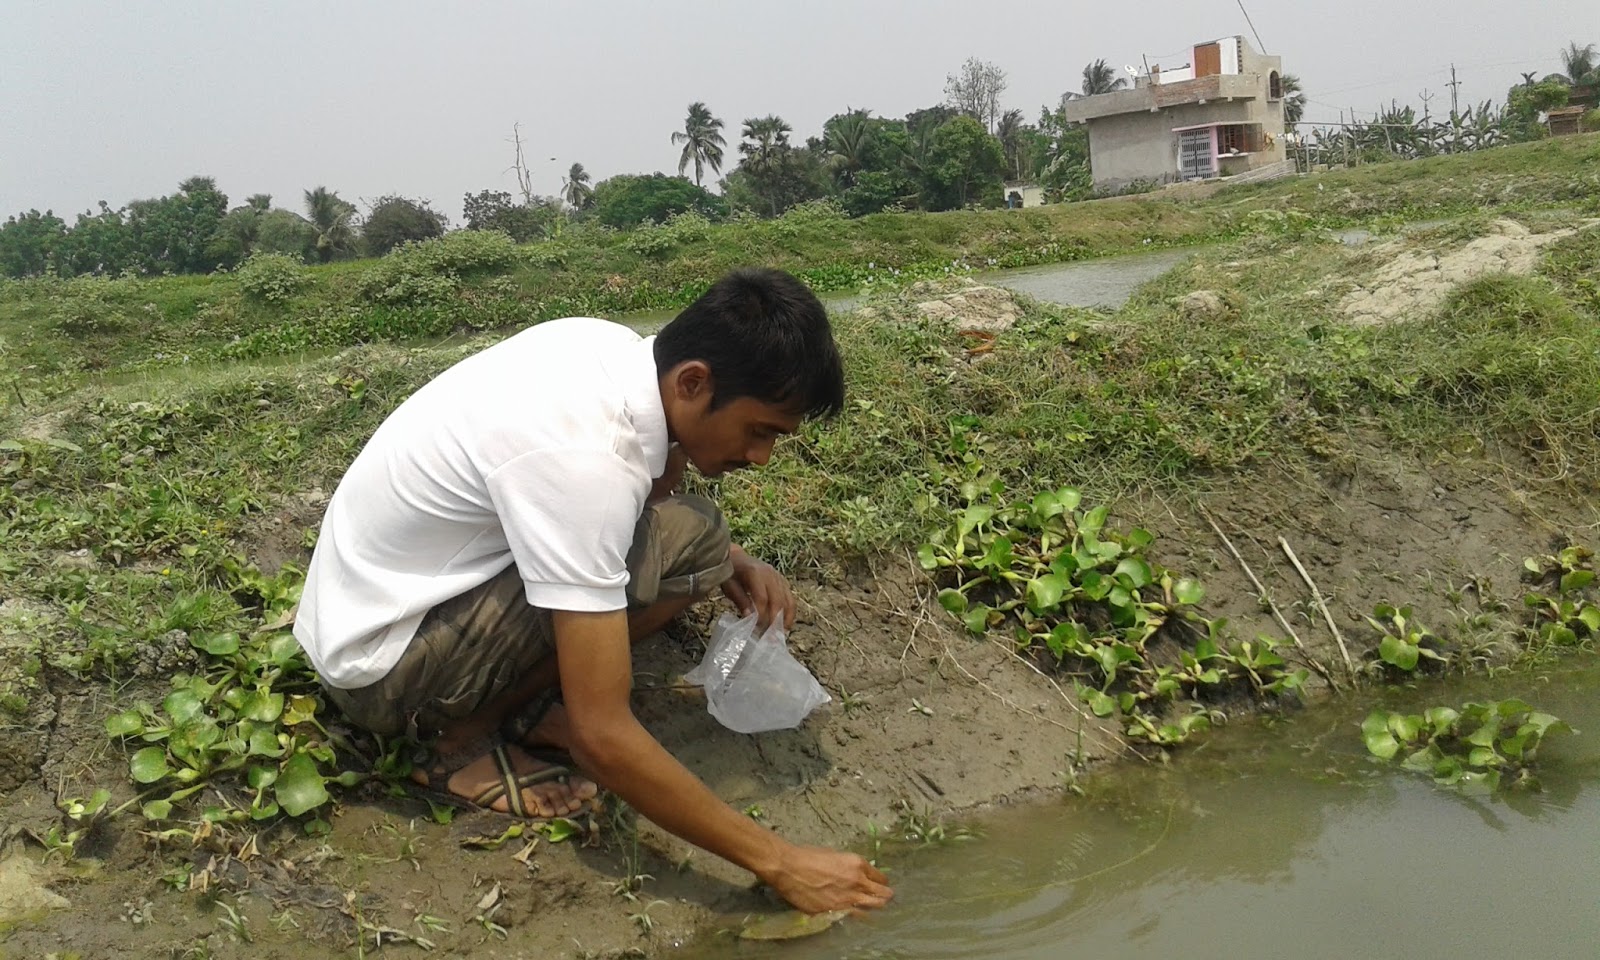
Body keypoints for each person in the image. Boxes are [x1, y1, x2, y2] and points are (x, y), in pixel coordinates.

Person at [293, 267, 892, 915]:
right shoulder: (588, 463)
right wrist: (783, 863)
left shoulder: (606, 348)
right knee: (632, 621)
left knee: (702, 539)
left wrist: (732, 559)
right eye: (760, 430)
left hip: (375, 600)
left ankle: (517, 708)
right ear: (693, 382)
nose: (762, 456)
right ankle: (457, 744)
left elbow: (643, 489)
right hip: (382, 669)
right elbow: (600, 736)